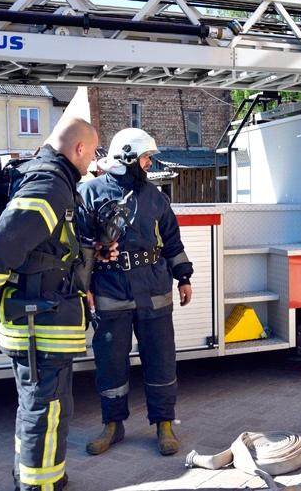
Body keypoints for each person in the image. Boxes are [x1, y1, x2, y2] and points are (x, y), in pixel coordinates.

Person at [0, 117, 101, 491]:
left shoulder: (44, 176)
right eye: (91, 154)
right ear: (79, 149)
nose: (91, 164)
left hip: (38, 316)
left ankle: (34, 475)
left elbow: (49, 249)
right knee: (45, 409)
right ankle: (38, 485)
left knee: (39, 406)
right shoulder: (50, 184)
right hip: (39, 323)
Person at [79, 128, 194, 456]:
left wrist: (183, 277)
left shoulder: (156, 196)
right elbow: (81, 248)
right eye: (145, 157)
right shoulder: (90, 192)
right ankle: (112, 425)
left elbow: (172, 240)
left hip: (154, 288)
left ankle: (164, 424)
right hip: (109, 289)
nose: (149, 163)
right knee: (110, 363)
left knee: (161, 360)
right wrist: (83, 288)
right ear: (128, 158)